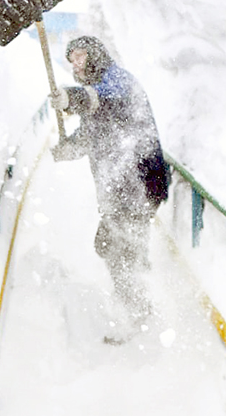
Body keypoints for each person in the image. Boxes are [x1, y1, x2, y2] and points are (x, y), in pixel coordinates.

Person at [50, 36, 170, 340]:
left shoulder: (117, 80)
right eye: (71, 59)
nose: (76, 63)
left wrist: (70, 98)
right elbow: (89, 135)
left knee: (118, 248)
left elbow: (100, 98)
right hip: (119, 188)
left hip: (139, 182)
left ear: (96, 55)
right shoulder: (98, 90)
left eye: (80, 56)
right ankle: (138, 304)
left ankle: (139, 317)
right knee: (113, 246)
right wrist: (67, 148)